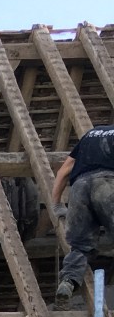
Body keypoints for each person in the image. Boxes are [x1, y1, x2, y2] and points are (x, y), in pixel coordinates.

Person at [51, 123, 114, 302]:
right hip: (109, 185)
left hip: (80, 188)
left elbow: (63, 171)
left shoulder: (91, 135)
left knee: (80, 244)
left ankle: (68, 281)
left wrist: (56, 204)